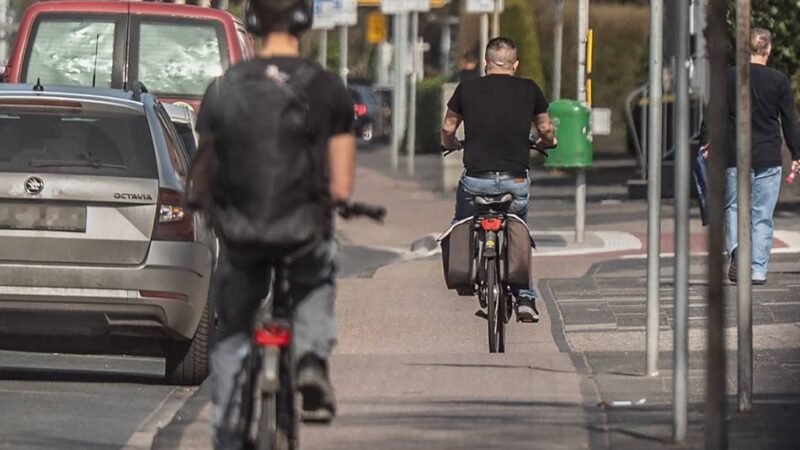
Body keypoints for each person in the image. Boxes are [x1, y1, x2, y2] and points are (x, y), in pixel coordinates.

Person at [187, 0, 356, 447]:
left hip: (241, 232)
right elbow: (340, 187)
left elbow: (204, 172)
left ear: (254, 22)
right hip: (303, 232)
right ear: (304, 20)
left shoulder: (223, 88)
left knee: (233, 331)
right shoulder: (328, 89)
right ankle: (311, 362)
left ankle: (225, 431)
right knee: (317, 278)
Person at [441, 37, 555, 322]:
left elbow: (447, 127)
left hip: (476, 182)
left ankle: (467, 276)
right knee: (520, 230)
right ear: (515, 65)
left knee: (462, 220)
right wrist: (546, 142)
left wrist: (452, 143)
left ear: (485, 63)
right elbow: (546, 129)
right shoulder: (530, 89)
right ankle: (526, 297)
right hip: (515, 183)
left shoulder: (466, 89)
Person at [702, 28, 800, 285]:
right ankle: (757, 270)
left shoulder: (729, 77)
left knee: (733, 206)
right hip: (768, 156)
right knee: (762, 215)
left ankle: (736, 250)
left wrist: (706, 141)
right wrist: (797, 153)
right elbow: (790, 121)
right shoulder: (779, 81)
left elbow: (713, 111)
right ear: (768, 50)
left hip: (734, 155)